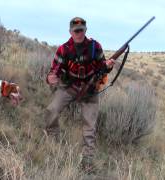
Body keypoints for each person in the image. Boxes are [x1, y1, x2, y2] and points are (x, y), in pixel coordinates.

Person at [44, 17, 115, 171]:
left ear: (85, 30)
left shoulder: (95, 47)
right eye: (76, 30)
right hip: (69, 87)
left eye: (81, 29)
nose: (79, 33)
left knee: (89, 125)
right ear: (70, 32)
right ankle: (53, 142)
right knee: (52, 110)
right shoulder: (63, 49)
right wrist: (51, 78)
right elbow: (55, 69)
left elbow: (102, 67)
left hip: (90, 90)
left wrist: (107, 66)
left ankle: (87, 160)